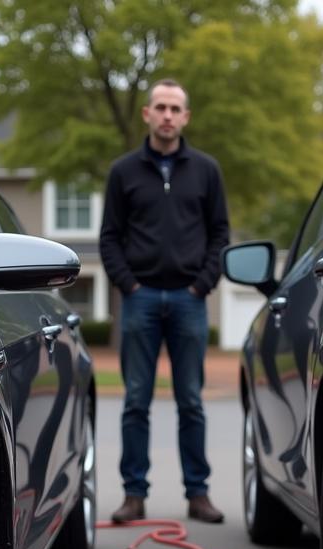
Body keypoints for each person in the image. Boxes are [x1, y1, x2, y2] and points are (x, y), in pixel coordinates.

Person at [99, 78, 230, 524]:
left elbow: (220, 235)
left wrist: (201, 285)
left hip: (189, 300)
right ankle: (134, 495)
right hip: (140, 301)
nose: (168, 115)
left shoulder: (207, 171)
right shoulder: (123, 172)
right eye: (161, 107)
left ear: (186, 116)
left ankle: (198, 494)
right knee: (136, 399)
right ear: (147, 114)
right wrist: (129, 287)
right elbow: (109, 238)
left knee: (190, 400)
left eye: (176, 108)